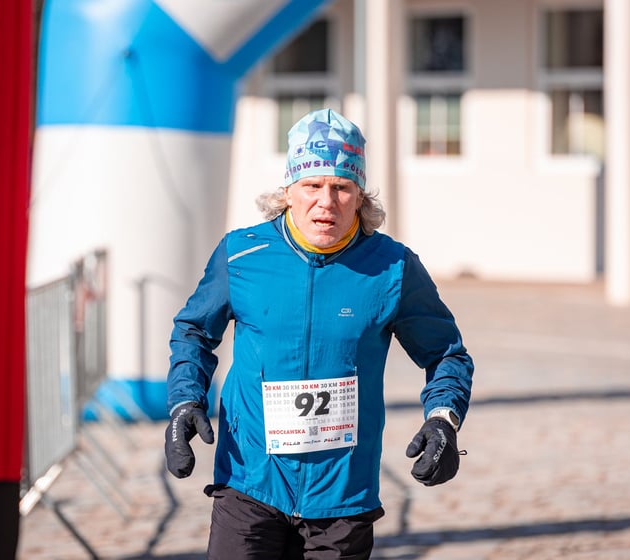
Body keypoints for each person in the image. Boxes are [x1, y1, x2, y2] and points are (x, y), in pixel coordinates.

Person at [164, 108, 474, 559]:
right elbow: (194, 331)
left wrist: (443, 419)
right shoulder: (241, 254)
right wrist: (185, 399)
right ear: (288, 190)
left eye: (341, 187)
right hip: (249, 481)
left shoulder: (393, 267)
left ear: (359, 196)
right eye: (312, 185)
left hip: (343, 497)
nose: (326, 202)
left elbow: (446, 354)